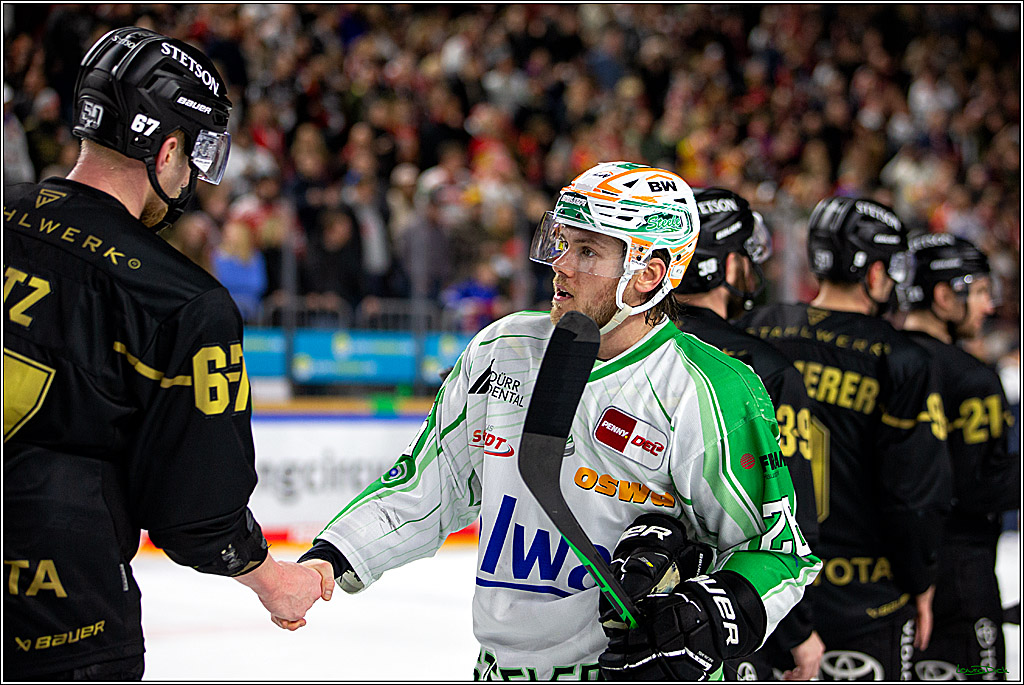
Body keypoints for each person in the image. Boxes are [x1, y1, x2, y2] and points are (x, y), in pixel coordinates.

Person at [297, 162, 820, 680]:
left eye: (588, 251)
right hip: (501, 671)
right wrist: (329, 559)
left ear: (649, 274)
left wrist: (707, 613)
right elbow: (431, 485)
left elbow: (777, 553)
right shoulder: (503, 350)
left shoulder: (710, 388)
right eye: (563, 242)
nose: (561, 264)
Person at [3, 27, 322, 681]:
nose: (192, 176)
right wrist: (271, 578)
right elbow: (199, 514)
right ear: (166, 146)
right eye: (194, 153)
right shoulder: (181, 299)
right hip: (62, 623)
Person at [738, 196, 952, 681]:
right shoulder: (902, 358)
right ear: (875, 273)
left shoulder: (756, 329)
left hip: (768, 588)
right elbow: (914, 494)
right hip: (865, 597)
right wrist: (922, 580)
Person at [673, 187, 824, 681]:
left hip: (619, 597)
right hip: (726, 614)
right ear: (730, 266)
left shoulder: (624, 351)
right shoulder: (762, 370)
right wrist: (798, 629)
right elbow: (789, 517)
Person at [897, 234, 1019, 681]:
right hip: (959, 574)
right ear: (945, 295)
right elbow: (979, 485)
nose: (989, 306)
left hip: (883, 573)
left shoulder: (878, 358)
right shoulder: (972, 376)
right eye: (983, 291)